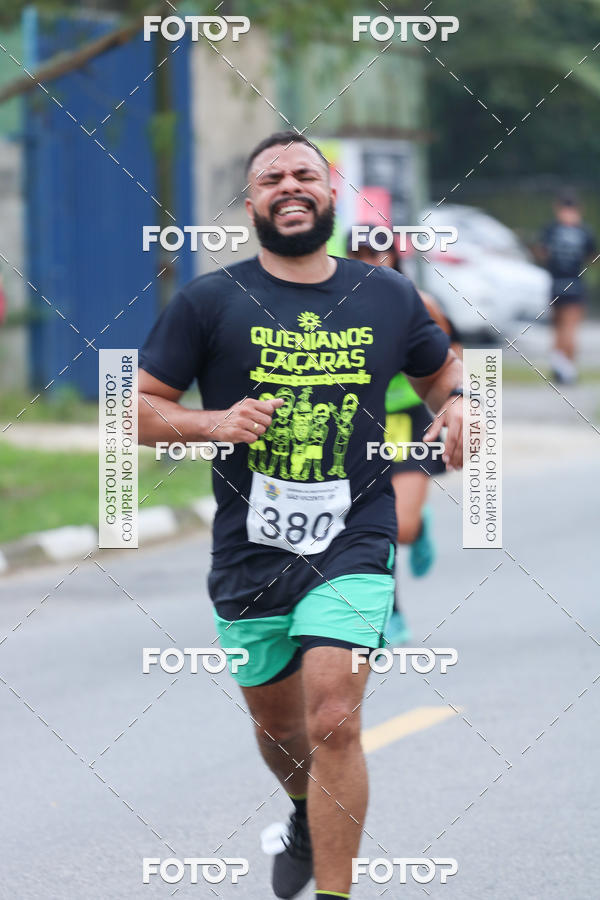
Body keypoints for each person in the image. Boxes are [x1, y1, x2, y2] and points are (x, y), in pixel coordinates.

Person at [137, 130, 463, 900]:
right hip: (250, 545)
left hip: (354, 531)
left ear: (329, 192)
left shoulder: (386, 295)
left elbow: (443, 374)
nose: (290, 185)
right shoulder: (208, 301)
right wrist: (212, 423)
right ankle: (302, 813)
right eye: (272, 177)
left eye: (305, 174)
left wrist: (460, 407)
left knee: (333, 718)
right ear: (252, 202)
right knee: (280, 729)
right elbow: (135, 410)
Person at [346, 229, 461, 644]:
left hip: (405, 420)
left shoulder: (418, 303)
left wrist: (459, 404)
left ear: (395, 258)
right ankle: (388, 611)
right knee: (366, 526)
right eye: (360, 255)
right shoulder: (335, 305)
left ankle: (418, 523)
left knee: (403, 527)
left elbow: (452, 358)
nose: (370, 263)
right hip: (356, 422)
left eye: (379, 254)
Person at [536, 192, 596, 385]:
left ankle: (559, 365)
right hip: (574, 283)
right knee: (569, 328)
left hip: (555, 283)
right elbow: (592, 257)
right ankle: (566, 367)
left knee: (559, 327)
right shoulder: (584, 231)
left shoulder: (551, 229)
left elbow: (542, 253)